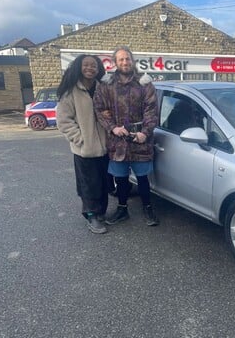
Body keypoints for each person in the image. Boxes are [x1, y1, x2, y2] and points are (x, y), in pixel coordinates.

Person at [93, 46, 160, 226]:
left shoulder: (144, 83)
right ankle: (122, 209)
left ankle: (147, 208)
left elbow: (152, 110)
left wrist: (145, 133)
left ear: (133, 61)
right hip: (117, 140)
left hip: (140, 139)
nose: (125, 62)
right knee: (120, 178)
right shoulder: (106, 85)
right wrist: (113, 128)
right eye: (121, 59)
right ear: (115, 62)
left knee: (142, 177)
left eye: (127, 59)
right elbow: (99, 109)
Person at [56, 54, 109, 234]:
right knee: (88, 183)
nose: (90, 68)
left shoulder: (103, 88)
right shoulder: (71, 91)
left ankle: (101, 212)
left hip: (105, 148)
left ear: (98, 68)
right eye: (86, 65)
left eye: (93, 65)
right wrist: (81, 139)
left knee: (103, 182)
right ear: (79, 67)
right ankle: (91, 215)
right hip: (84, 150)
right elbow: (63, 121)